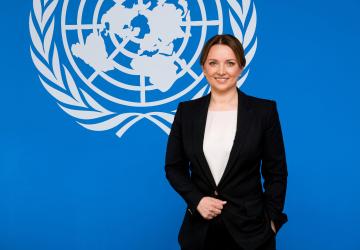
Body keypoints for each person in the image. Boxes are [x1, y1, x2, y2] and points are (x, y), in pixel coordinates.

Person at [165, 34, 288, 250]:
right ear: (203, 67)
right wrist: (197, 200)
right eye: (213, 63)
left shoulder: (264, 112)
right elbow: (174, 167)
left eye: (230, 63)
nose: (221, 71)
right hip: (200, 234)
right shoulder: (186, 112)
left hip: (252, 234)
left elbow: (276, 172)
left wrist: (272, 221)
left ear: (241, 67)